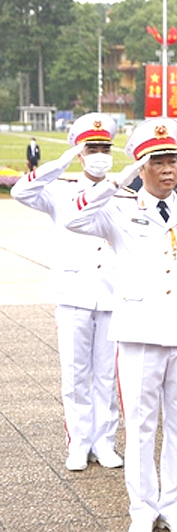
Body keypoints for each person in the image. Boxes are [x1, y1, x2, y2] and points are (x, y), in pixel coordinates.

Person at [65, 118, 177, 532]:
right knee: (140, 428)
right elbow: (74, 218)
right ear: (141, 166)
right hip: (139, 332)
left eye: (173, 160)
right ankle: (141, 509)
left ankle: (175, 507)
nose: (170, 169)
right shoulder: (117, 208)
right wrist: (118, 180)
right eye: (159, 161)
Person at [11, 113, 123, 472]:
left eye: (104, 147)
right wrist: (58, 162)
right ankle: (79, 442)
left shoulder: (122, 191)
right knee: (75, 375)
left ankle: (105, 442)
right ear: (79, 152)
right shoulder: (59, 189)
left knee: (106, 375)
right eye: (91, 148)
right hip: (73, 291)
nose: (99, 154)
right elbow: (19, 191)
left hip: (111, 294)